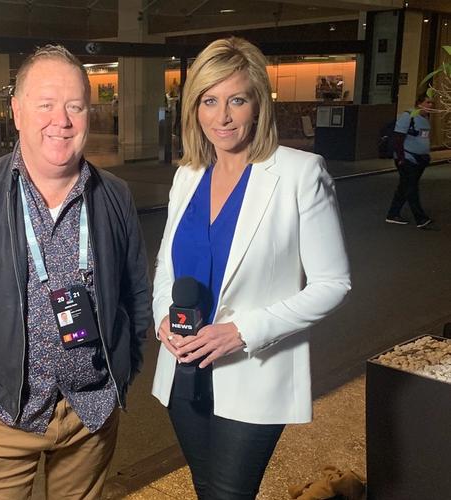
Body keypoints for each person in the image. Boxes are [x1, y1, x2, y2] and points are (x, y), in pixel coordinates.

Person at [0, 45, 151, 499]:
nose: (61, 121)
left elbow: (136, 292)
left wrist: (122, 373)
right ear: (17, 112)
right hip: (5, 413)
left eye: (74, 106)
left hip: (91, 412)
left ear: (89, 113)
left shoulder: (114, 196)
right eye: (45, 105)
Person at [151, 37, 351, 500]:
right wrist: (163, 316)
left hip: (254, 373)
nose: (222, 117)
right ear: (195, 109)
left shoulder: (300, 174)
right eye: (210, 100)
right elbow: (166, 263)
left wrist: (243, 331)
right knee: (208, 491)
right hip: (184, 372)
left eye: (236, 100)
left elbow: (332, 283)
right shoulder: (188, 175)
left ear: (258, 104)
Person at [385, 93, 435, 228]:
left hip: (420, 159)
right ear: (419, 103)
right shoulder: (408, 116)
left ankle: (393, 214)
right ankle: (421, 218)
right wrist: (401, 159)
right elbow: (398, 139)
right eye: (428, 103)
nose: (430, 106)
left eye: (432, 103)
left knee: (405, 187)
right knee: (411, 187)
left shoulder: (425, 118)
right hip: (408, 158)